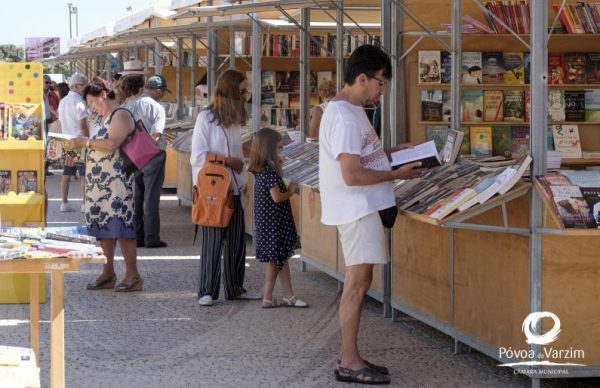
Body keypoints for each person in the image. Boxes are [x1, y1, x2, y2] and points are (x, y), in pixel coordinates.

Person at [318, 44, 423, 384]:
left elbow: (359, 158)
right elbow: (352, 175)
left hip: (361, 208)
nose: (382, 90)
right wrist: (398, 174)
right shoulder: (346, 116)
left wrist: (391, 152)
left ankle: (352, 355)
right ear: (362, 78)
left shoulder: (348, 110)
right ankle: (348, 360)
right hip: (358, 208)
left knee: (359, 283)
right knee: (357, 285)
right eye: (380, 83)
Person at [190, 69, 260, 306]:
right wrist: (228, 161)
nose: (245, 95)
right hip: (213, 191)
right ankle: (207, 290)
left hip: (235, 188)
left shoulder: (234, 122)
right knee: (212, 241)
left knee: (237, 242)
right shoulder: (206, 118)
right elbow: (198, 156)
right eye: (241, 91)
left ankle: (235, 287)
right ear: (230, 90)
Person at [68, 78, 142, 292]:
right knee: (103, 227)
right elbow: (96, 146)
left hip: (117, 182)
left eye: (92, 101)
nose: (91, 107)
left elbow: (111, 144)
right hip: (98, 181)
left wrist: (85, 142)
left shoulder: (121, 115)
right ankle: (107, 272)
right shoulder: (99, 118)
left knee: (122, 226)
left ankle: (133, 275)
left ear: (103, 95)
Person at [248, 128, 307, 309]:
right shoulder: (269, 171)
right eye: (278, 147)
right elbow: (277, 197)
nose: (281, 150)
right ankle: (267, 296)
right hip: (274, 222)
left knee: (280, 258)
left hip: (269, 221)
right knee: (276, 259)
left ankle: (289, 294)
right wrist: (291, 190)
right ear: (269, 148)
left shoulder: (261, 169)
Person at [119, 74, 168, 248]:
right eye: (162, 92)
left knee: (136, 197)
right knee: (151, 198)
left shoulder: (127, 106)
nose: (162, 95)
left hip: (131, 156)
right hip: (153, 155)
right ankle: (152, 238)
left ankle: (137, 237)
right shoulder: (157, 108)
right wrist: (146, 151)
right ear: (158, 91)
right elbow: (156, 134)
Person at [57, 73, 89, 212]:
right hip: (79, 140)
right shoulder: (79, 102)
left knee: (66, 173)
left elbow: (60, 120)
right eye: (84, 85)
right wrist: (89, 140)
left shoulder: (63, 101)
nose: (86, 88)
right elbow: (83, 125)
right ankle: (84, 204)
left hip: (66, 140)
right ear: (77, 86)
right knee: (83, 175)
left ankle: (64, 203)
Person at [43, 75, 59, 176]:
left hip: (51, 122)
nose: (48, 84)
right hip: (41, 122)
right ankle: (42, 166)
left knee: (50, 144)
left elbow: (58, 106)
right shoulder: (37, 94)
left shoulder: (53, 95)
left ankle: (46, 168)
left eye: (49, 82)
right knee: (43, 144)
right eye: (46, 82)